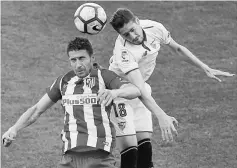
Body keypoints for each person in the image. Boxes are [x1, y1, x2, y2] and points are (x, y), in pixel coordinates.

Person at [108, 8, 235, 168]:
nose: (133, 36)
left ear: (138, 21)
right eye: (126, 34)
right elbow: (138, 89)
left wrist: (205, 67)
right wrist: (161, 116)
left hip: (141, 90)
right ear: (120, 35)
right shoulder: (124, 51)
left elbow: (177, 49)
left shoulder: (154, 28)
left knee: (145, 153)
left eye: (133, 30)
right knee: (130, 151)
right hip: (120, 94)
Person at [2, 37, 143, 168]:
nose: (78, 65)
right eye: (73, 60)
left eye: (82, 58)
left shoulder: (104, 76)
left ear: (92, 58)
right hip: (69, 158)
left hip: (99, 156)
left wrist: (115, 92)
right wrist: (14, 128)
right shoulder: (63, 81)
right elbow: (37, 109)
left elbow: (135, 90)